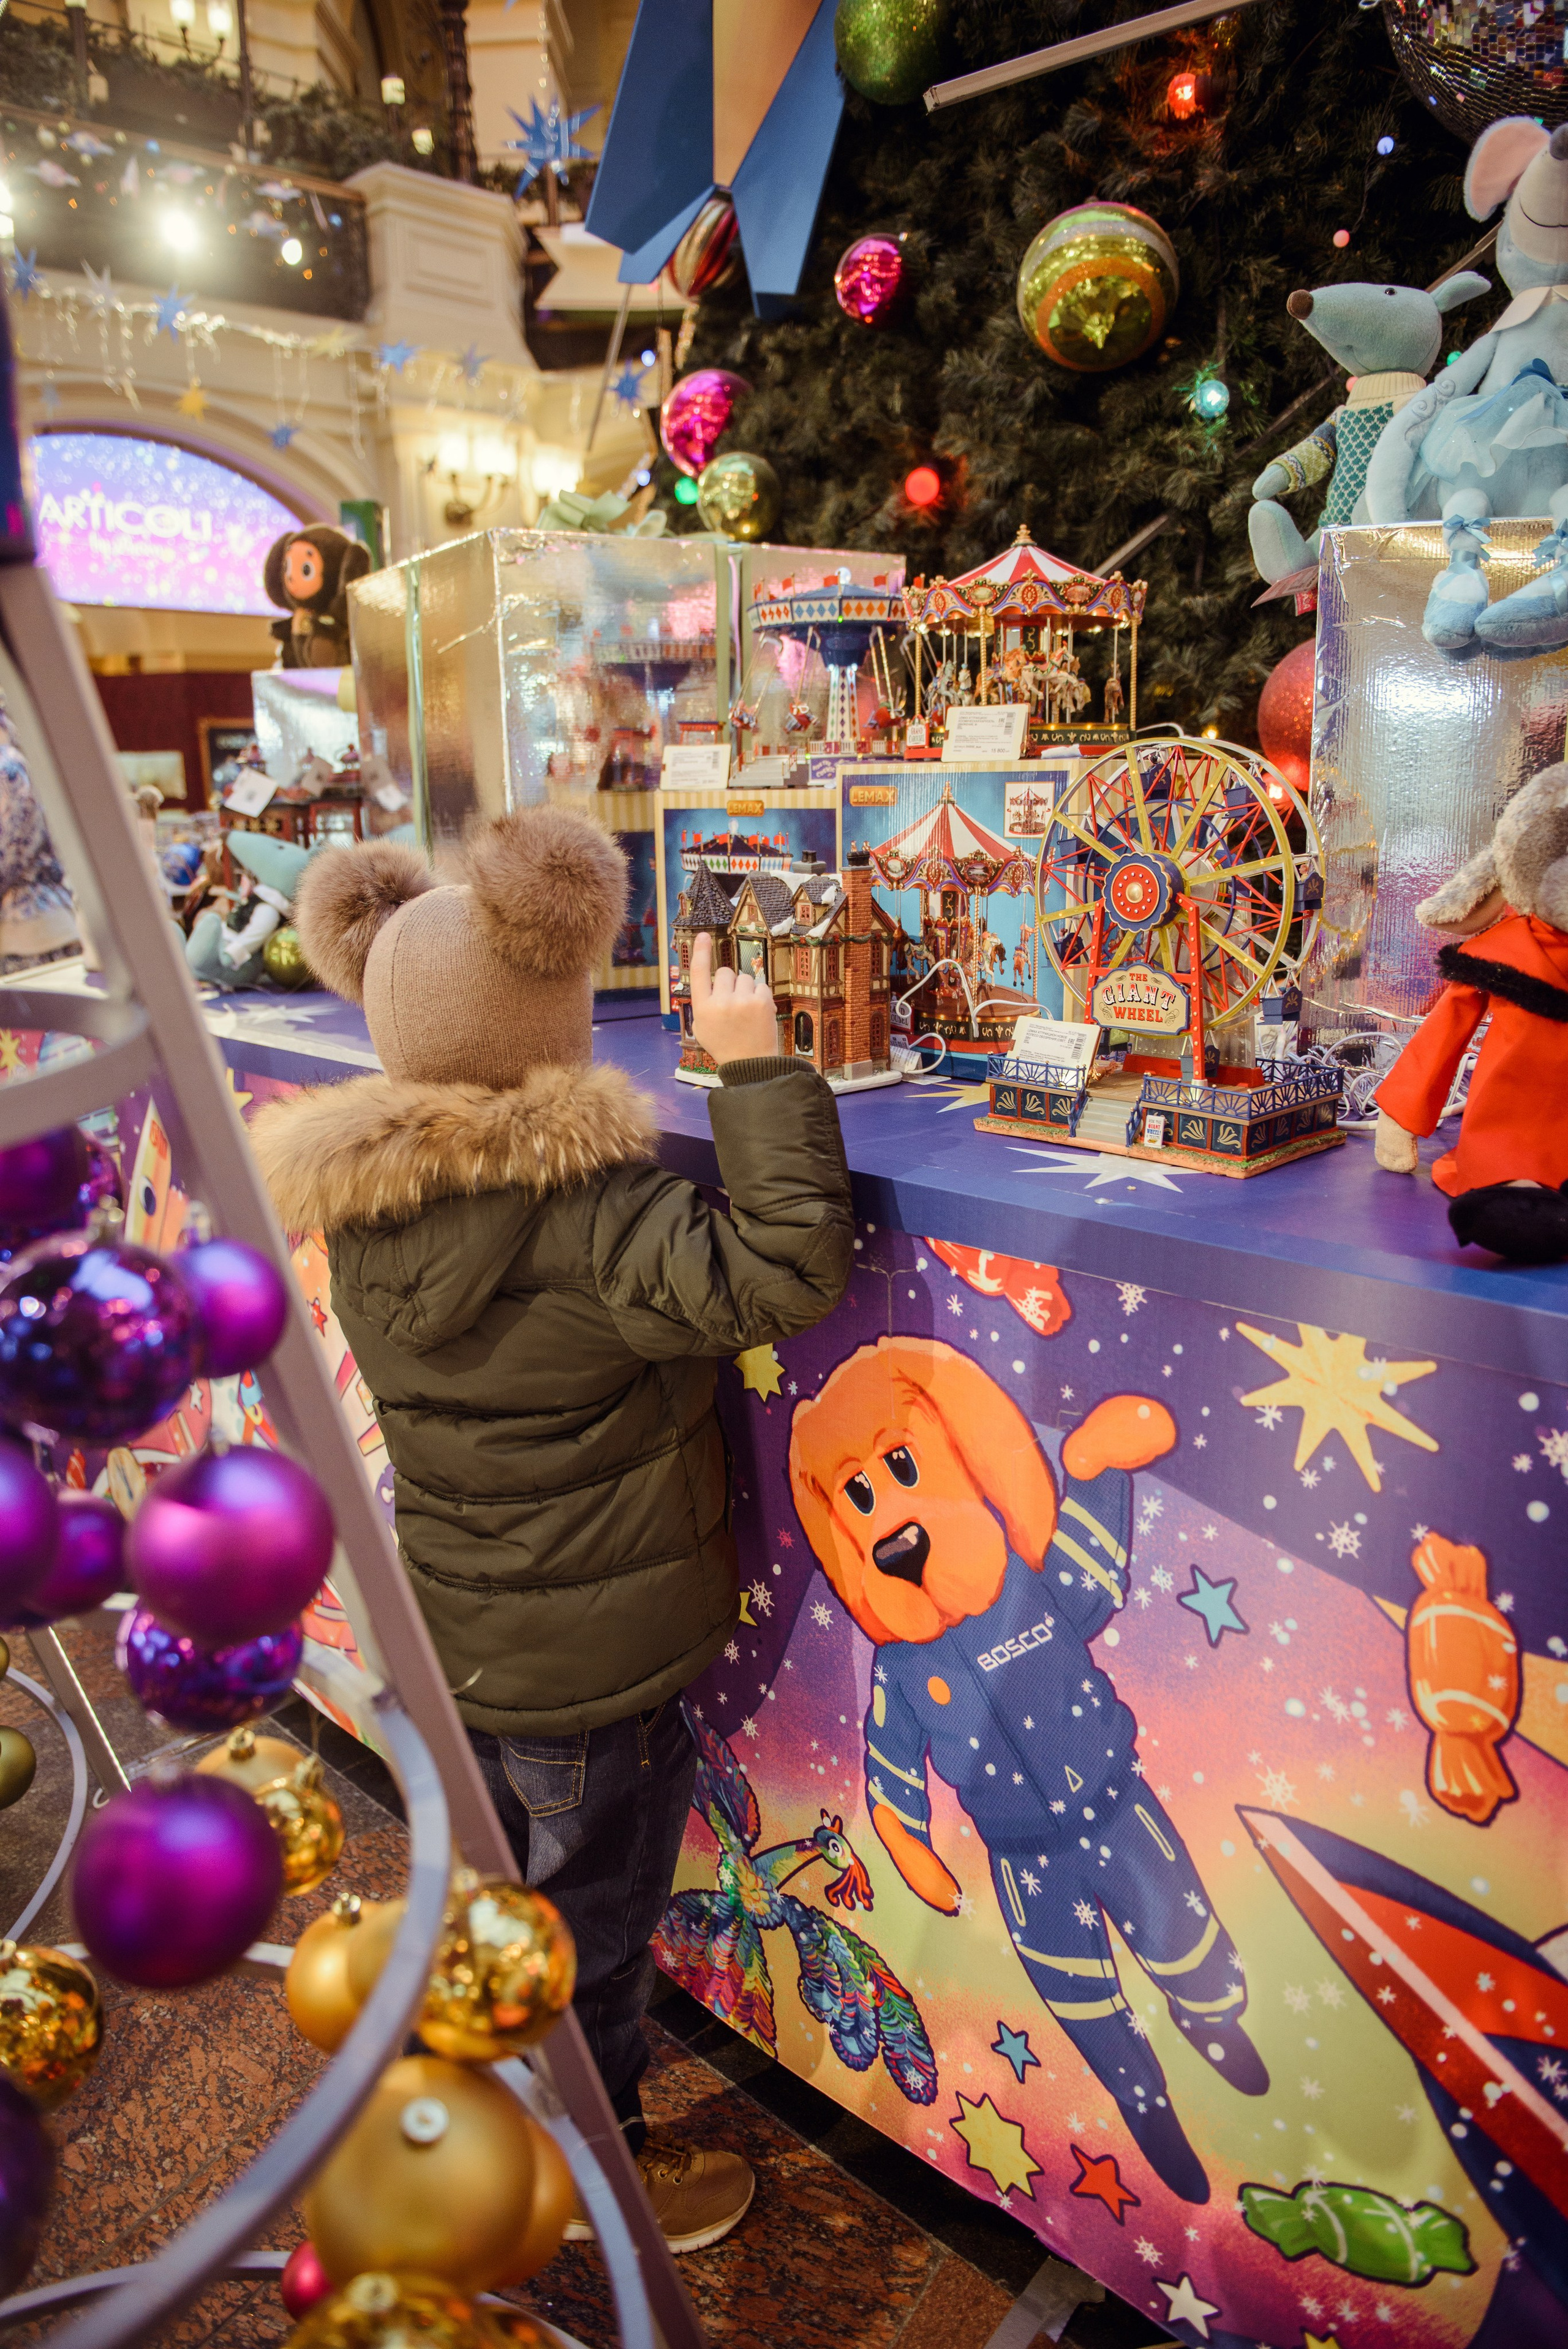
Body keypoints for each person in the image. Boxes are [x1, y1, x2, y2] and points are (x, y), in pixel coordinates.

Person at [251, 806, 853, 2252]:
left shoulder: (377, 1207)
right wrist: (761, 1065)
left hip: (464, 1636)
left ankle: (486, 2105)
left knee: (506, 1896)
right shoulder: (591, 1215)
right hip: (594, 1669)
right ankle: (600, 2182)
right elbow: (787, 1265)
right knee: (589, 1934)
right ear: (553, 1005)